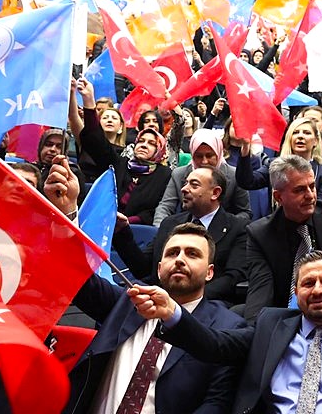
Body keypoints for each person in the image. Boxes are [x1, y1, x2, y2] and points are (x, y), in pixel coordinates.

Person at [130, 251, 322, 413]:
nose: (318, 290)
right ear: (296, 292)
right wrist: (172, 313)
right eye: (308, 283)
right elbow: (215, 345)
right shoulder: (270, 323)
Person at [65, 221, 247, 414]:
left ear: (210, 273)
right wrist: (68, 216)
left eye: (192, 254)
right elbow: (77, 277)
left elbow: (216, 403)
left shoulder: (227, 326)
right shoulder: (130, 298)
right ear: (159, 269)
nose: (179, 260)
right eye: (172, 253)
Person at [112, 166, 249, 304]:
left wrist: (186, 299)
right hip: (159, 304)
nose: (184, 189)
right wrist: (122, 232)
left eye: (194, 185)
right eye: (185, 183)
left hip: (207, 308)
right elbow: (144, 269)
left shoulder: (238, 228)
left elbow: (232, 279)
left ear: (215, 193)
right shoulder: (170, 224)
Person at [243, 155, 322, 321]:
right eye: (300, 190)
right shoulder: (260, 234)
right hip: (285, 315)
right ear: (278, 197)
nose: (310, 195)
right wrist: (255, 332)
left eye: (312, 187)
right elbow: (261, 291)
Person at [80, 100, 173, 226]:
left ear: (160, 151)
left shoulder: (164, 174)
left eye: (151, 144)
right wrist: (89, 101)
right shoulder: (120, 163)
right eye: (141, 141)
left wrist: (129, 221)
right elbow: (95, 141)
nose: (144, 145)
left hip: (136, 230)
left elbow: (156, 210)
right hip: (103, 223)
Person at [154, 128, 251, 226]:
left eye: (209, 156)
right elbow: (165, 206)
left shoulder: (234, 175)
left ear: (218, 154)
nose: (204, 162)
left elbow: (245, 213)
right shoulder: (179, 174)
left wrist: (225, 226)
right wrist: (160, 230)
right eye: (199, 156)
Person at [237, 117, 322, 200]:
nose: (300, 136)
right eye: (296, 132)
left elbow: (320, 208)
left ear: (315, 141)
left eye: (306, 133)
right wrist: (246, 147)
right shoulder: (274, 165)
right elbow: (247, 182)